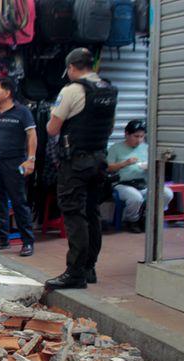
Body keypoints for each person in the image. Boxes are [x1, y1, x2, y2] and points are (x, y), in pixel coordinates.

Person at [45, 48, 118, 289]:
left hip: (76, 162)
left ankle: (74, 273)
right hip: (99, 159)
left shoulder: (72, 89)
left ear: (72, 67)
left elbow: (53, 129)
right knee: (91, 212)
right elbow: (109, 127)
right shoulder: (107, 89)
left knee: (74, 213)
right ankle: (89, 268)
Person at [0, 78, 37, 257]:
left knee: (19, 201)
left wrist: (31, 159)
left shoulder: (22, 112)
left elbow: (32, 135)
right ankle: (2, 238)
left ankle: (27, 242)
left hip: (15, 162)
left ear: (7, 93)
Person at [107, 119, 173, 233]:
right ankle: (133, 220)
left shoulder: (147, 148)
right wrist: (125, 163)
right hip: (123, 184)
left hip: (144, 184)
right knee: (135, 197)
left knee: (167, 193)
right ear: (126, 134)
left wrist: (150, 167)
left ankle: (148, 217)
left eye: (141, 137)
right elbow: (108, 168)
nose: (139, 140)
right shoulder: (115, 148)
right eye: (136, 136)